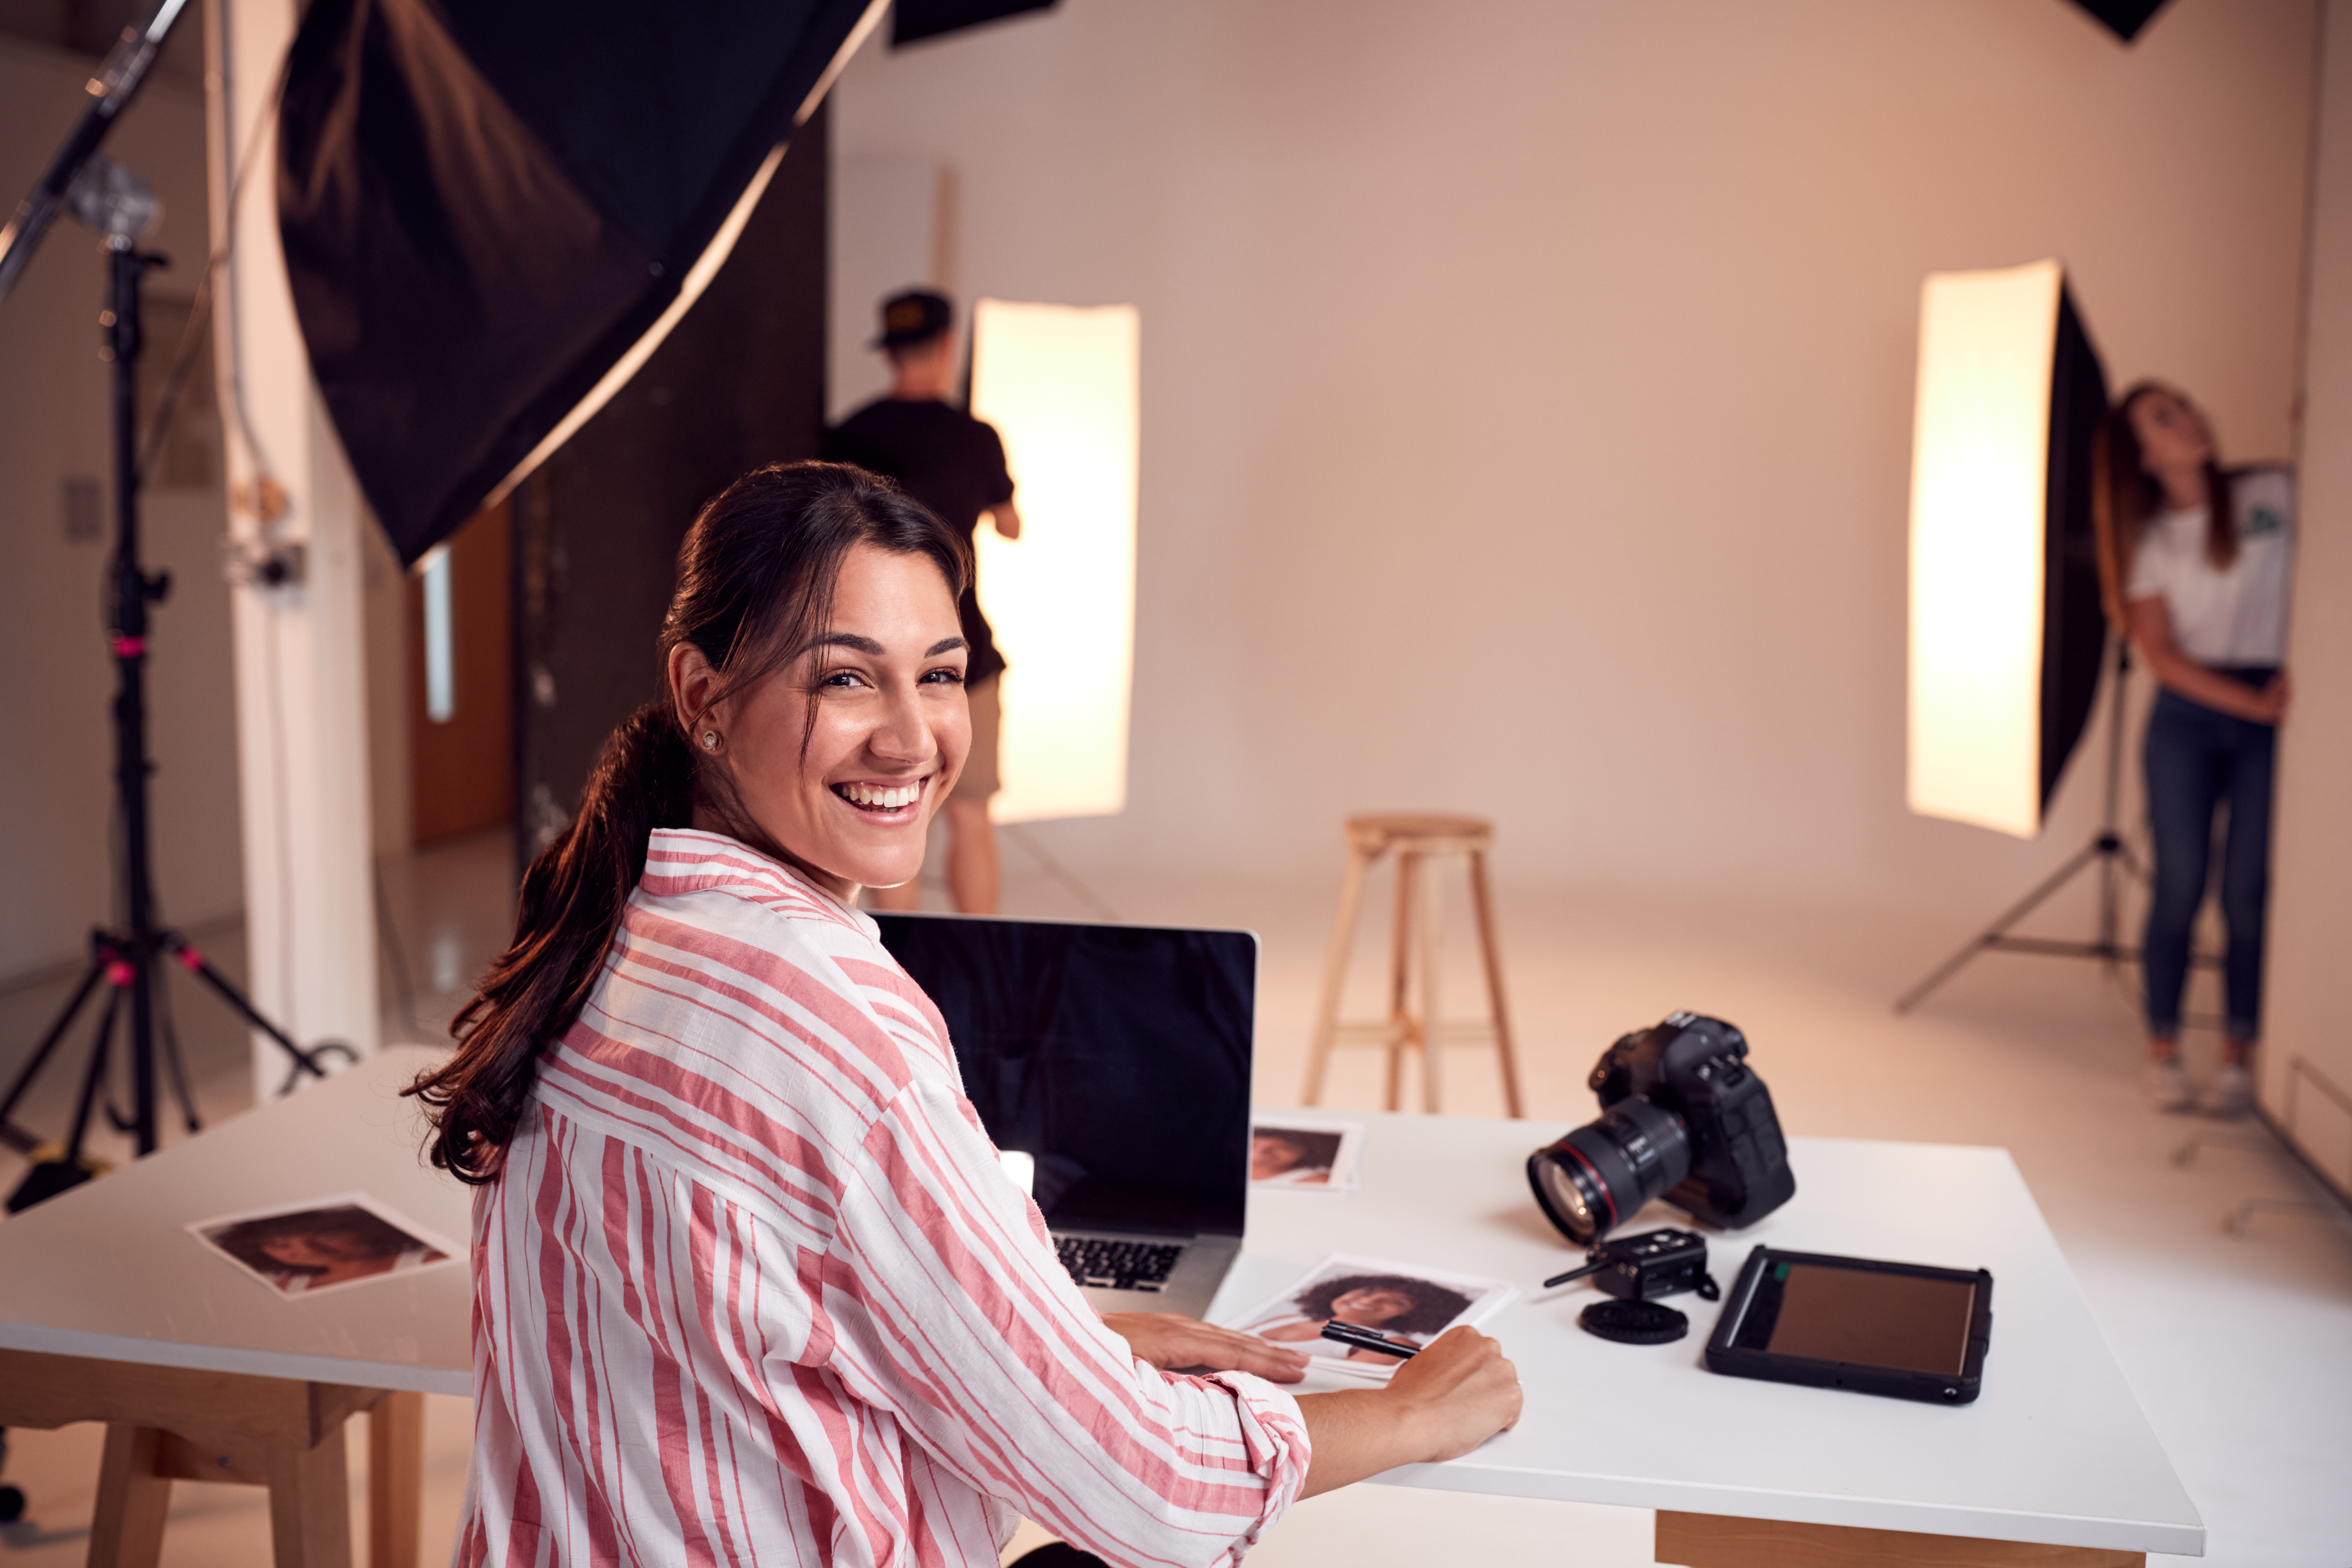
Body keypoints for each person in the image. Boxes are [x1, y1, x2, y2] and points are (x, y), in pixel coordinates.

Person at [406, 463, 1520, 1566]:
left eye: (938, 676)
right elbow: (1154, 1490)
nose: (910, 739)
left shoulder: (605, 932)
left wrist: (1053, 1347)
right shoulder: (834, 1030)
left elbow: (714, 1335)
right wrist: (1412, 1412)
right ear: (701, 694)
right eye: (845, 679)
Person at [2093, 383, 2294, 1119]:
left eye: (2181, 406)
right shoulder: (2151, 541)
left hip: (2266, 708)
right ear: (2143, 457)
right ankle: (2165, 1047)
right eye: (2164, 420)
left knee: (2247, 892)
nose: (2189, 420)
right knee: (2180, 885)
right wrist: (2251, 705)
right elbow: (2162, 655)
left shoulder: (2273, 492)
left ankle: (2239, 1050)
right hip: (2190, 717)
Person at [823, 289, 1019, 915]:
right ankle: (980, 971)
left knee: (890, 821)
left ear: (888, 353)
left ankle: (898, 985)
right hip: (964, 652)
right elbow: (1012, 524)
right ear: (946, 347)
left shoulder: (847, 436)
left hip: (874, 659)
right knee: (971, 818)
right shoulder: (976, 436)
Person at [1244, 1274, 1476, 1367]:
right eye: (1367, 1292)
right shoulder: (1287, 1318)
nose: (1370, 1301)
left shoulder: (1396, 1347)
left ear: (1412, 1314)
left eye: (1395, 1301)